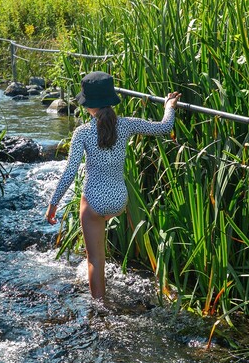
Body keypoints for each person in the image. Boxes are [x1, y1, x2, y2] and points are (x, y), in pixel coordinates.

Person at [45, 71, 181, 299]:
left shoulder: (82, 132)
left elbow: (69, 172)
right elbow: (163, 128)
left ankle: (100, 309)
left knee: (95, 260)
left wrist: (53, 203)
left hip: (95, 204)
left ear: (88, 106)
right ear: (110, 99)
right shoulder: (126, 125)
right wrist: (169, 106)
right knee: (101, 219)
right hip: (119, 201)